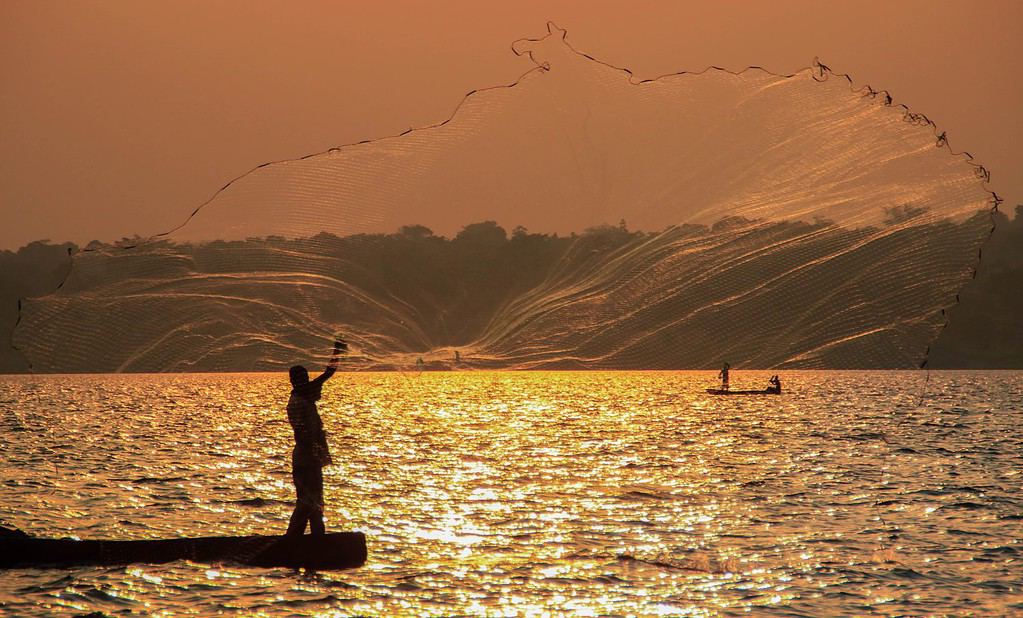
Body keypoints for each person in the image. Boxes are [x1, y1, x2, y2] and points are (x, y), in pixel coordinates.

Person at [286, 336, 346, 536]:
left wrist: (337, 352)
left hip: (305, 458)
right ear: (297, 382)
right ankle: (294, 540)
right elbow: (328, 373)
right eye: (303, 379)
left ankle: (314, 539)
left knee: (312, 501)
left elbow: (326, 375)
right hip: (307, 459)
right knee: (308, 502)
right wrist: (337, 352)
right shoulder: (302, 397)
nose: (310, 383)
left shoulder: (299, 397)